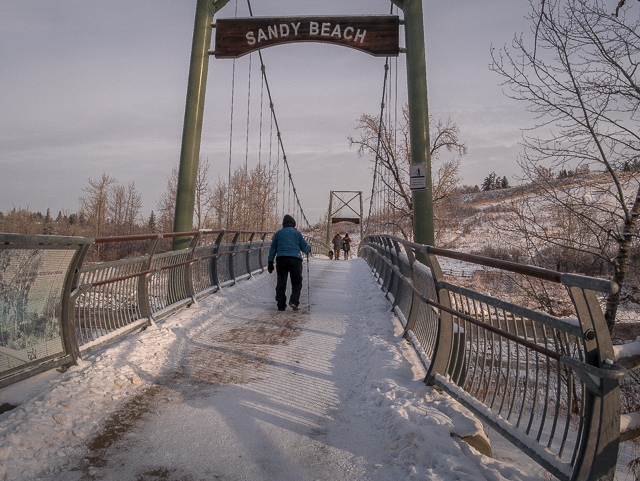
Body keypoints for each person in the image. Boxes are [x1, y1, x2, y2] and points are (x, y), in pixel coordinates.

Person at [268, 215, 311, 311]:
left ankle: (281, 304)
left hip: (281, 259)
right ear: (293, 224)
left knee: (281, 282)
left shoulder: (278, 234)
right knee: (296, 282)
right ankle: (294, 301)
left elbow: (273, 249)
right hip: (295, 260)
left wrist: (270, 262)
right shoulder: (297, 234)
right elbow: (304, 247)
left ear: (283, 224)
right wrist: (308, 250)